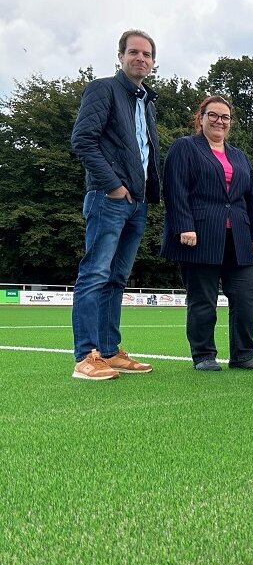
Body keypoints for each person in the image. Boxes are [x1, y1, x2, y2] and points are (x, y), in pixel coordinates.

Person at [69, 29, 161, 380]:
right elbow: (83, 139)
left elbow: (145, 153)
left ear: (153, 62)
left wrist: (144, 195)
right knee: (95, 273)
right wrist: (113, 186)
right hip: (108, 199)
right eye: (134, 52)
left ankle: (109, 350)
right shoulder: (103, 89)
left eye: (147, 54)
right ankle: (86, 356)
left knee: (117, 278)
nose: (141, 58)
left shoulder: (146, 103)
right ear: (121, 56)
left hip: (137, 204)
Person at [161, 96, 253, 371]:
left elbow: (250, 199)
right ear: (201, 118)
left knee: (247, 295)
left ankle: (243, 354)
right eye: (214, 115)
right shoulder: (184, 148)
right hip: (200, 235)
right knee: (203, 299)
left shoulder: (239, 156)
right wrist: (185, 225)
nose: (220, 121)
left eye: (225, 117)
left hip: (239, 238)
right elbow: (175, 190)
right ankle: (204, 355)